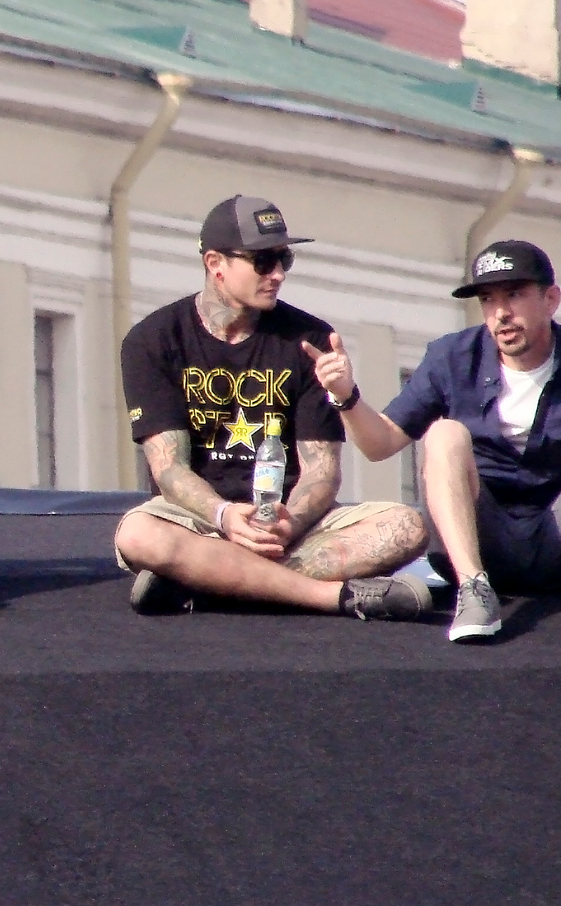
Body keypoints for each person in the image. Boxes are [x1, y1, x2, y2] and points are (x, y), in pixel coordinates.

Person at [307, 239, 561, 642]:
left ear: (551, 299)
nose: (501, 313)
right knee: (445, 433)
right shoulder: (452, 357)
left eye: (514, 295)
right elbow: (379, 444)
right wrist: (346, 396)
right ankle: (473, 590)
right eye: (488, 299)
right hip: (483, 539)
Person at [114, 195, 431, 620]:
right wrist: (224, 515)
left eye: (285, 259)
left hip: (289, 527)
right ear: (215, 263)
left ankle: (207, 582)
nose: (278, 274)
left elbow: (322, 471)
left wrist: (289, 523)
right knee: (138, 534)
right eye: (263, 261)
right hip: (197, 520)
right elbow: (168, 469)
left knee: (406, 526)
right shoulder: (152, 340)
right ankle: (331, 597)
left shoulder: (311, 340)